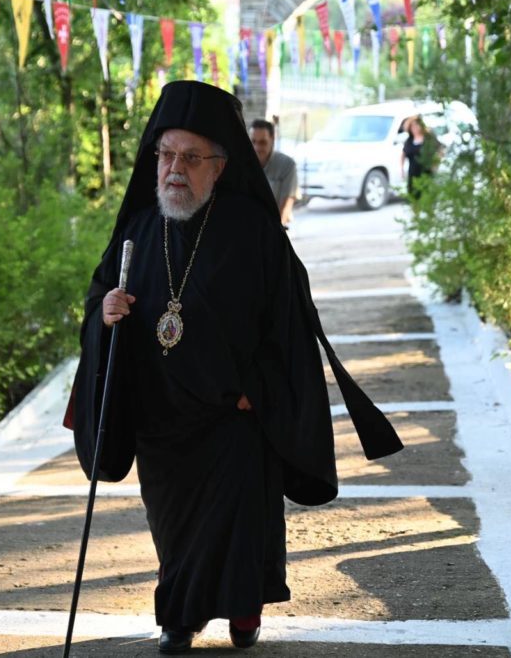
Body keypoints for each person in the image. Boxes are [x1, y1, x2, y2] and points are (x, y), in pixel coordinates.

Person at [65, 81, 403, 654]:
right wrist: (106, 312)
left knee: (241, 528)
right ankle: (181, 615)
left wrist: (260, 390)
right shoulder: (139, 229)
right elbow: (100, 295)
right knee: (174, 530)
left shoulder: (254, 230)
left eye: (191, 158)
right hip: (160, 421)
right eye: (166, 155)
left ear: (219, 167)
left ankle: (243, 611)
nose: (175, 170)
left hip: (233, 417)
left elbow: (289, 323)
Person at [249, 119, 298, 228]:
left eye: (262, 142)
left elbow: (287, 204)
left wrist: (275, 232)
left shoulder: (287, 165)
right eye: (253, 142)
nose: (257, 148)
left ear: (272, 140)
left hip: (273, 228)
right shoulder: (242, 165)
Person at [400, 115, 440, 198]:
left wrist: (435, 165)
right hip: (413, 174)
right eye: (412, 126)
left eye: (416, 125)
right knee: (414, 196)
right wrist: (402, 169)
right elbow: (403, 154)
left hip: (426, 173)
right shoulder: (409, 140)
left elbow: (439, 150)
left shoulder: (428, 138)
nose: (415, 128)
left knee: (427, 196)